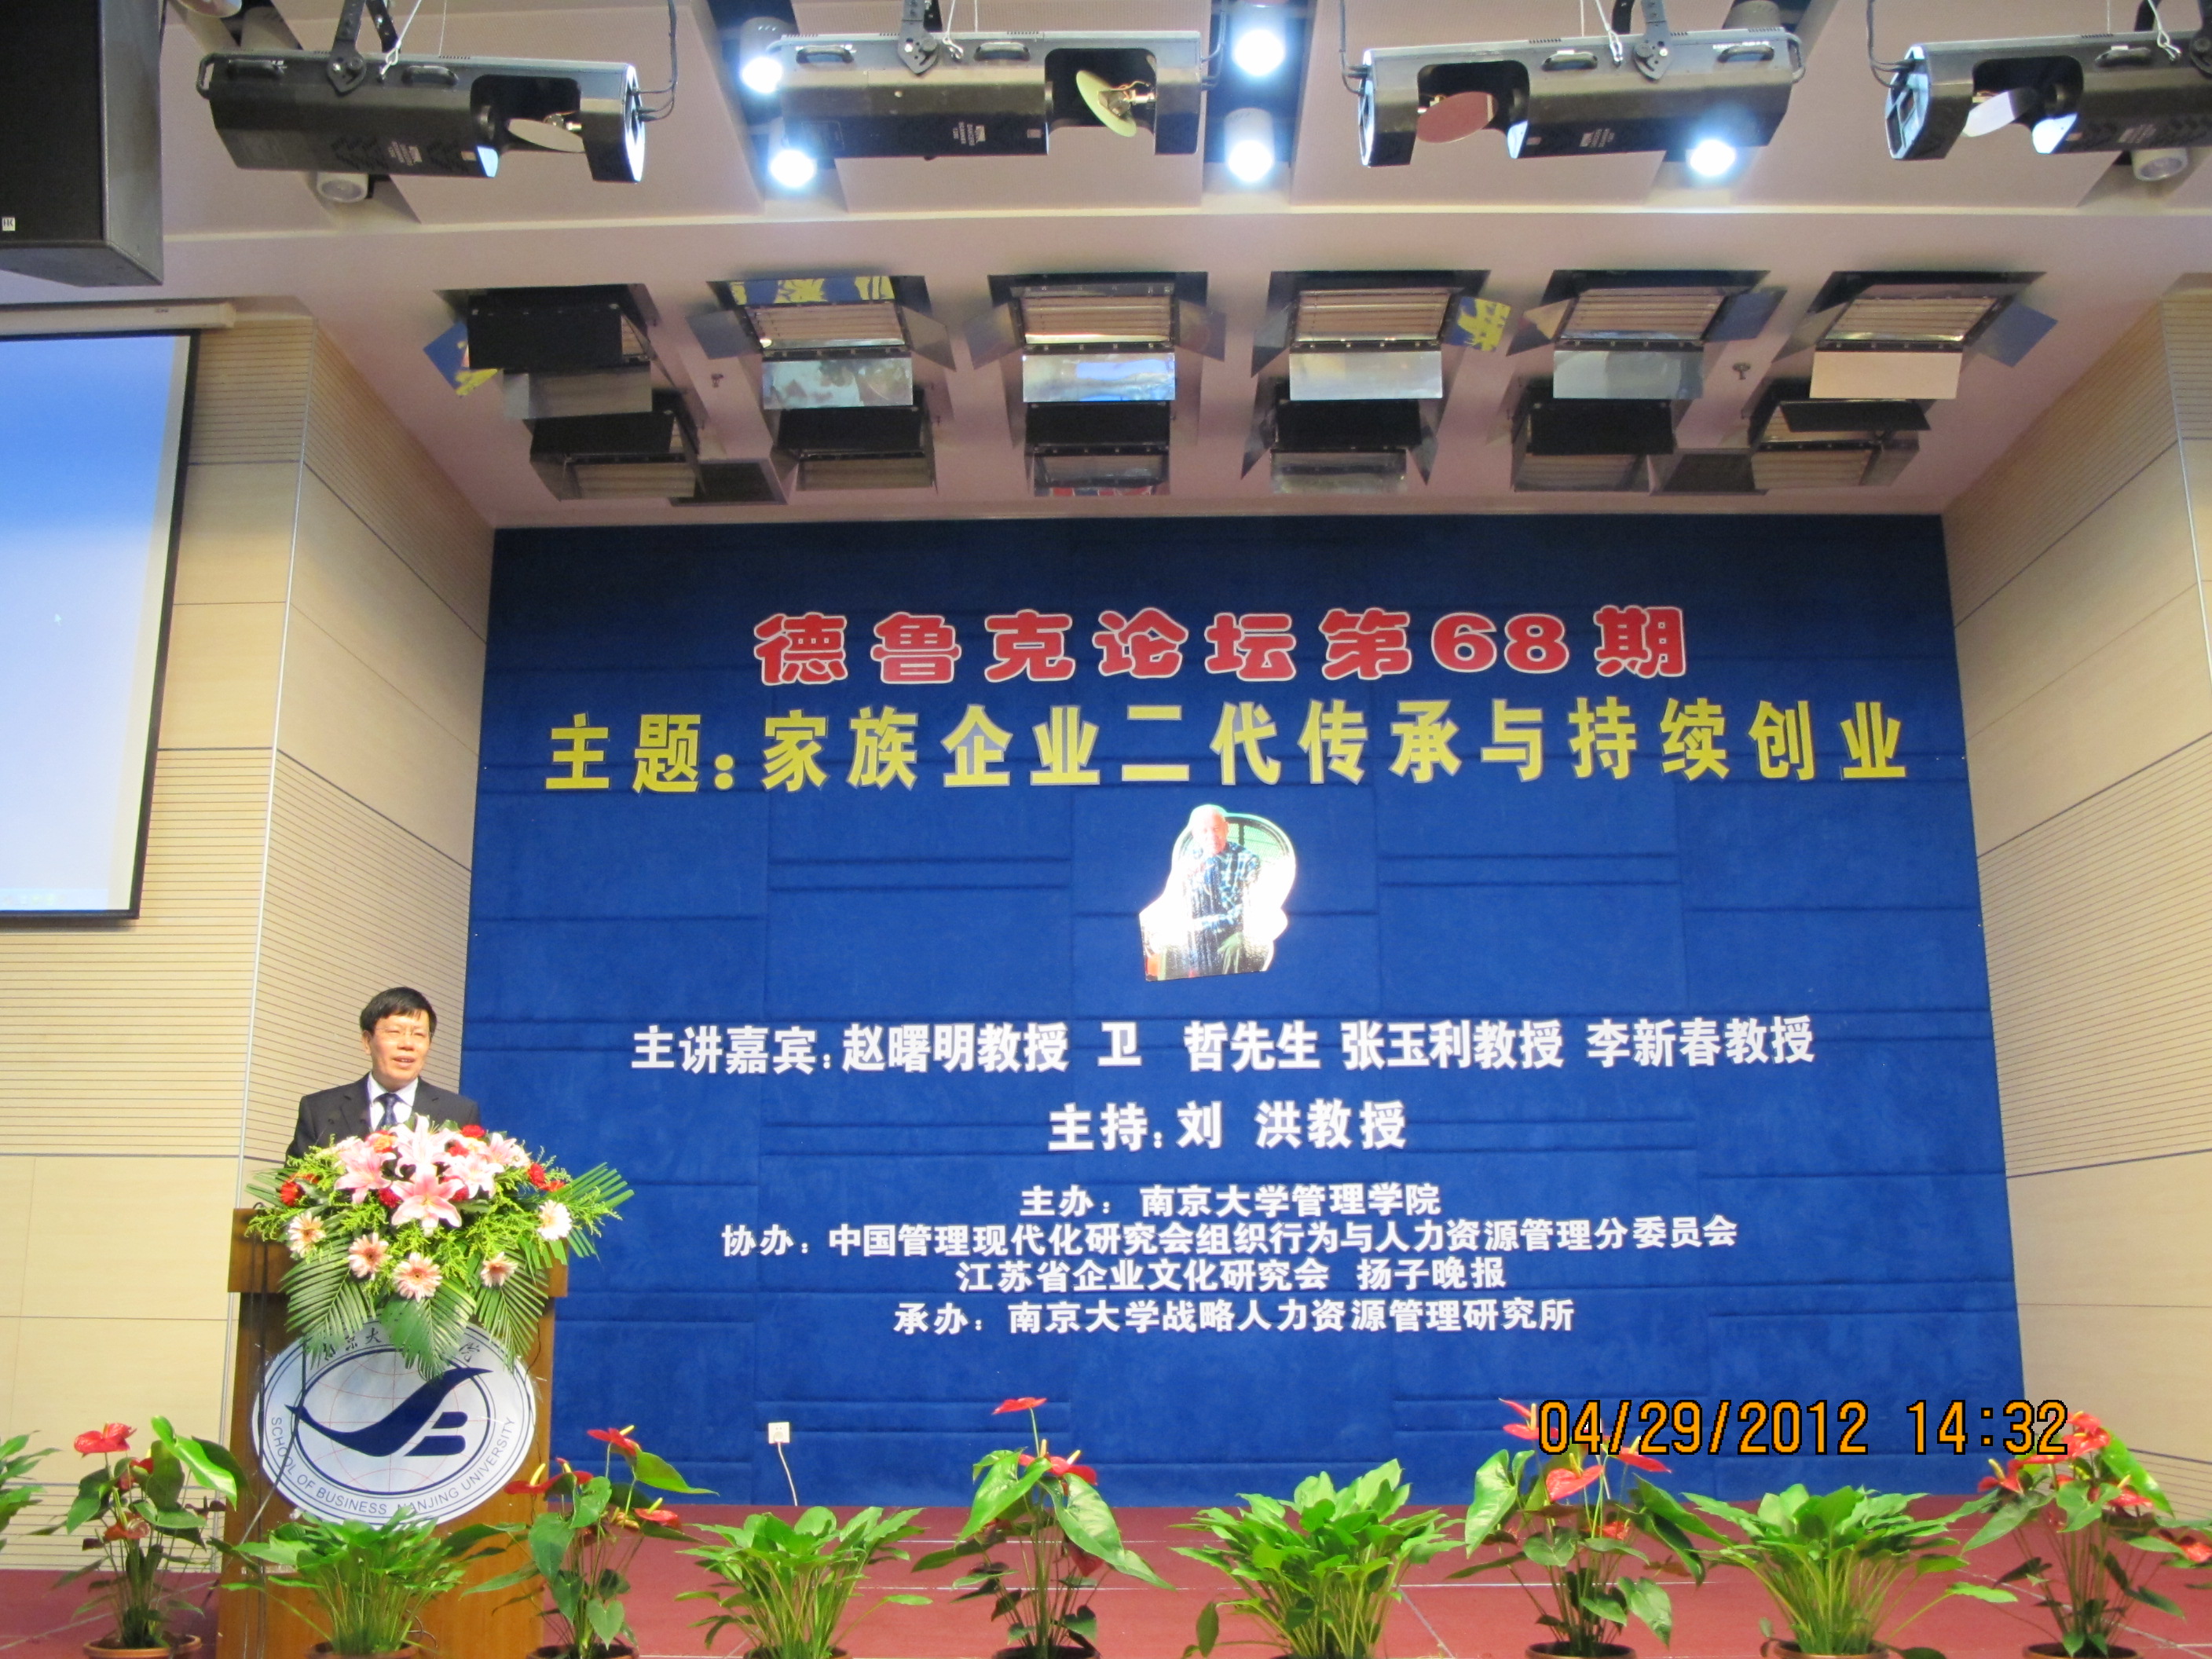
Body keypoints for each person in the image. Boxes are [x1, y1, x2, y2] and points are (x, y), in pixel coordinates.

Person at [287, 987, 478, 1158]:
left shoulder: (459, 1112)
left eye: (419, 1034)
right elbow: (295, 1181)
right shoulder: (319, 1110)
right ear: (367, 1041)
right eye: (395, 1032)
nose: (407, 1044)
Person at [1175, 804, 1262, 976]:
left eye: (1216, 829)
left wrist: (1201, 925)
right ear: (1195, 835)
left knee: (1238, 946)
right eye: (1204, 831)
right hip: (1199, 934)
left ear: (1226, 829)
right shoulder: (1186, 861)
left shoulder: (1248, 860)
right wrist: (1182, 881)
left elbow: (1247, 911)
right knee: (1172, 945)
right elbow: (1176, 907)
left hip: (1233, 931)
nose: (1212, 836)